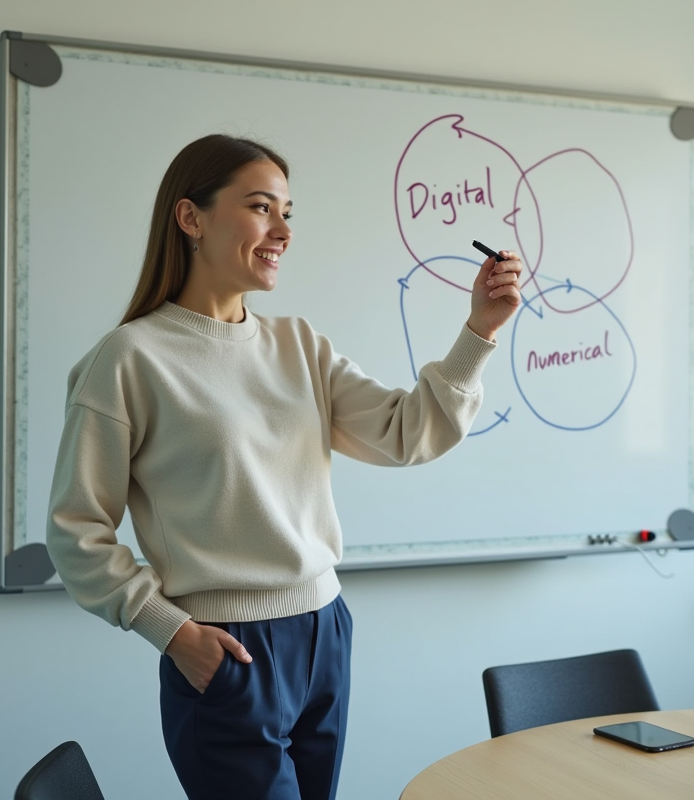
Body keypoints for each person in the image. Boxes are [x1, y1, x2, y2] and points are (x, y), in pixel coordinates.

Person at [45, 133, 523, 800]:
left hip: (324, 630)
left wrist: (480, 330)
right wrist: (172, 632)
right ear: (191, 218)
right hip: (227, 649)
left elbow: (407, 432)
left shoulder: (299, 344)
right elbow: (76, 531)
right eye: (261, 207)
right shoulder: (128, 359)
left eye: (288, 212)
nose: (283, 231)